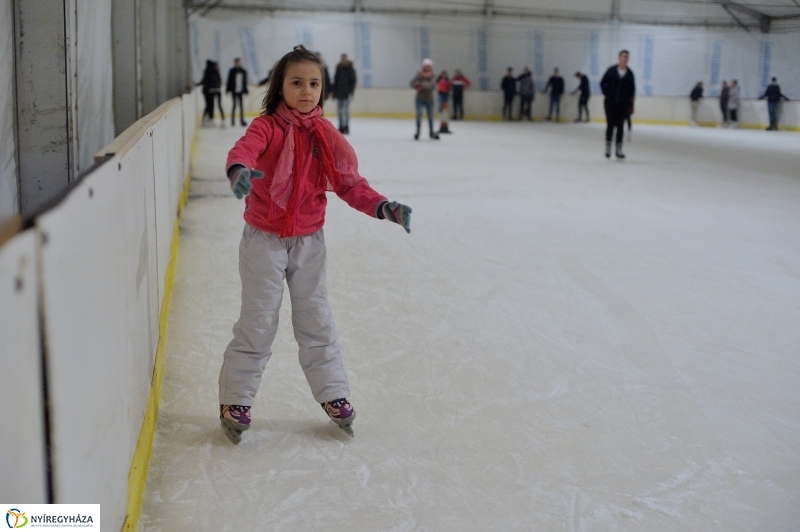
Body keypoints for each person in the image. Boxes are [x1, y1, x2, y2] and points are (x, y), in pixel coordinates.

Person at [218, 45, 412, 444]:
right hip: (264, 240)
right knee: (258, 320)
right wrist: (239, 170)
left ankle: (333, 393)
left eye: (314, 83)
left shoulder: (325, 136)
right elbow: (244, 150)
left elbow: (348, 182)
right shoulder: (267, 127)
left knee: (316, 318)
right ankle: (235, 398)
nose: (306, 90)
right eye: (297, 82)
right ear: (280, 86)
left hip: (309, 241)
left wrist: (382, 206)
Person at [600, 49, 635, 159]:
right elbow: (602, 83)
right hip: (610, 103)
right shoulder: (611, 71)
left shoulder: (629, 74)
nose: (625, 59)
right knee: (610, 125)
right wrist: (608, 94)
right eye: (623, 56)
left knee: (620, 126)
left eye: (626, 57)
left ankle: (619, 149)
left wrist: (630, 105)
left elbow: (632, 91)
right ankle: (608, 147)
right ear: (619, 58)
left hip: (622, 105)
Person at [410, 58, 439, 140]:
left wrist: (421, 84)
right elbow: (412, 83)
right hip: (419, 98)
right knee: (419, 114)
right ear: (423, 66)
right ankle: (418, 132)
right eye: (426, 66)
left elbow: (431, 85)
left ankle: (431, 132)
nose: (428, 67)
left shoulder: (433, 75)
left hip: (430, 99)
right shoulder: (419, 74)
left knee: (430, 116)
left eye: (429, 66)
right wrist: (416, 84)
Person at [332, 53, 357, 134]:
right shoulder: (338, 69)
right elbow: (335, 81)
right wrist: (334, 92)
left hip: (346, 94)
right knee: (339, 111)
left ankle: (346, 126)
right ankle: (341, 126)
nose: (343, 60)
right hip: (339, 93)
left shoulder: (350, 69)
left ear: (346, 59)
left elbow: (353, 81)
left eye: (344, 58)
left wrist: (351, 92)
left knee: (345, 111)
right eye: (342, 58)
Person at [226, 58, 249, 127]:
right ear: (235, 63)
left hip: (240, 91)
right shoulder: (232, 71)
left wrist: (245, 90)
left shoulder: (243, 71)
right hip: (234, 91)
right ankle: (232, 121)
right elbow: (229, 81)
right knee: (234, 106)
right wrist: (227, 90)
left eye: (239, 62)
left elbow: (244, 82)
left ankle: (242, 121)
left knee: (241, 106)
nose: (238, 63)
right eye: (237, 62)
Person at [199, 60, 223, 126]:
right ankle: (207, 119)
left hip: (211, 91)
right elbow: (206, 81)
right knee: (209, 106)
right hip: (208, 91)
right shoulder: (209, 71)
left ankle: (209, 119)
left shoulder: (213, 71)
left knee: (210, 106)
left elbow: (218, 80)